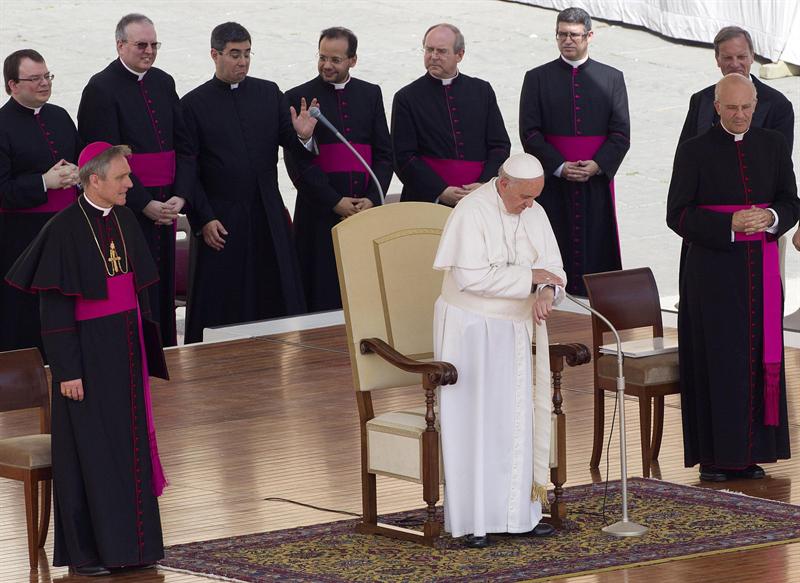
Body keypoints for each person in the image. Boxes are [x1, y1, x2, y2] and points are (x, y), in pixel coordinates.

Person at [6, 142, 169, 575]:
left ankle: (136, 548)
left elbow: (139, 292)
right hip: (87, 357)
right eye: (122, 177)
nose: (130, 184)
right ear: (94, 179)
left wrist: (147, 350)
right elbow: (55, 310)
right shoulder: (63, 229)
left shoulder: (126, 219)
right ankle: (89, 554)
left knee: (129, 448)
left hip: (126, 352)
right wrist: (67, 371)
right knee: (91, 455)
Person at [666, 74, 799, 482]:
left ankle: (752, 454)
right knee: (719, 362)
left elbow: (790, 201)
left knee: (759, 360)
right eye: (732, 108)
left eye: (746, 108)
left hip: (761, 272)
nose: (740, 115)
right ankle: (715, 458)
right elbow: (678, 214)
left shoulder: (773, 145)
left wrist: (773, 218)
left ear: (756, 104)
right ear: (717, 107)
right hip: (712, 278)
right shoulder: (694, 152)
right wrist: (730, 223)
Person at [433, 152, 564, 548]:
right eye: (524, 197)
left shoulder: (534, 212)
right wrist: (530, 278)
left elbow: (553, 266)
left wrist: (545, 291)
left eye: (535, 197)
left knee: (515, 420)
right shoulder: (471, 212)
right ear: (503, 183)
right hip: (471, 329)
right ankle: (474, 521)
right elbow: (471, 277)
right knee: (476, 423)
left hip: (513, 330)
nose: (529, 205)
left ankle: (519, 517)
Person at [181, 22, 322, 343]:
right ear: (214, 54)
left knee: (274, 294)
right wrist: (202, 219)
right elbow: (188, 169)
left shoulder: (269, 93)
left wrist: (304, 136)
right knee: (223, 303)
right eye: (234, 54)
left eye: (246, 54)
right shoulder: (192, 104)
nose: (242, 61)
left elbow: (294, 144)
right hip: (221, 217)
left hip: (266, 212)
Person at [78, 13, 193, 347]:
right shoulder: (100, 88)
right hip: (129, 208)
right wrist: (145, 204)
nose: (149, 51)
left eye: (154, 44)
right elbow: (104, 158)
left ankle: (167, 351)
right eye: (141, 44)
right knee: (134, 284)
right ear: (120, 45)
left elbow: (184, 146)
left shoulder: (163, 81)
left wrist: (180, 196)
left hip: (167, 205)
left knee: (163, 289)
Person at [519, 7, 630, 296]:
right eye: (562, 34)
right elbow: (529, 132)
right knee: (553, 242)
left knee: (597, 244)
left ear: (590, 36)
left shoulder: (612, 78)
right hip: (554, 181)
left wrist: (597, 165)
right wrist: (558, 165)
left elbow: (621, 133)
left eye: (574, 35)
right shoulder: (536, 78)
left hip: (595, 180)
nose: (568, 40)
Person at [285, 27, 392, 312]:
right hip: (319, 212)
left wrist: (372, 198)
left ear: (352, 60)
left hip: (363, 210)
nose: (327, 65)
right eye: (322, 57)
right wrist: (334, 201)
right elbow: (296, 163)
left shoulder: (370, 94)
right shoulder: (298, 96)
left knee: (363, 293)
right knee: (320, 291)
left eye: (335, 59)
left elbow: (383, 154)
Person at [0, 49, 80, 355]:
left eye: (47, 76)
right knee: (25, 314)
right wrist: (45, 182)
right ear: (12, 85)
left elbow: (78, 159)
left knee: (63, 306)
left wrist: (77, 174)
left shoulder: (59, 115)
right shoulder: (2, 125)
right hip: (20, 238)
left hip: (65, 231)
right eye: (34, 78)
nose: (44, 83)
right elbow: (3, 190)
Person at [392, 23, 510, 205]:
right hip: (427, 199)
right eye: (429, 50)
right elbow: (403, 156)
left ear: (460, 54)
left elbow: (499, 145)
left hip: (478, 197)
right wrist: (440, 191)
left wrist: (484, 184)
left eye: (441, 51)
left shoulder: (481, 91)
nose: (433, 56)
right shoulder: (406, 97)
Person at [678, 26, 794, 150]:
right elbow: (684, 155)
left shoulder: (778, 105)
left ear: (752, 57)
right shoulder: (701, 100)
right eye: (728, 58)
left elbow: (781, 163)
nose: (734, 64)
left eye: (741, 57)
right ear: (718, 60)